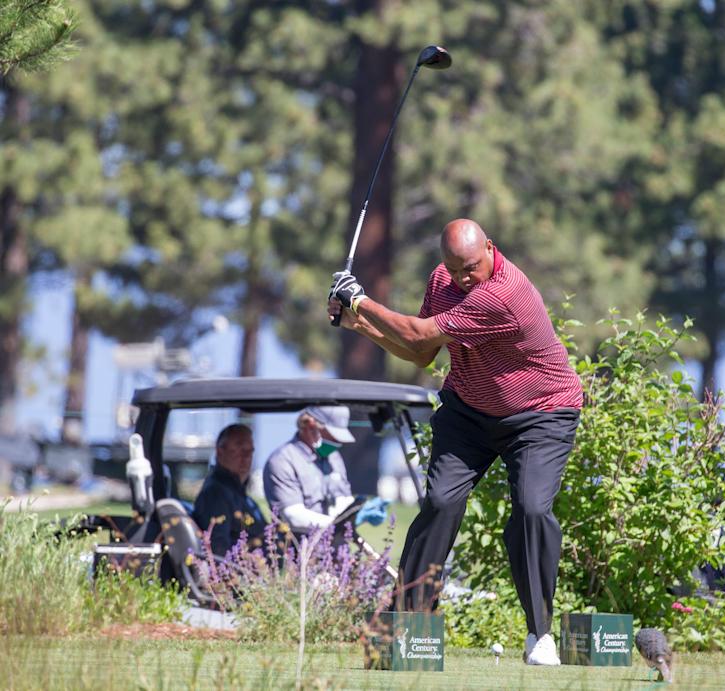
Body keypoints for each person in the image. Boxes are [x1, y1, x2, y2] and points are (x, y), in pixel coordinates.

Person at [327, 218, 582, 666]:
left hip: (541, 413)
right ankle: (409, 623)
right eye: (454, 268)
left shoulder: (505, 293)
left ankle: (539, 634)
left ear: (489, 247)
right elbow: (422, 353)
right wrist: (357, 324)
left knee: (532, 508)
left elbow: (420, 334)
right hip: (470, 411)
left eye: (471, 266)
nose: (463, 277)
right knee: (441, 503)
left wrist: (361, 300)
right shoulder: (443, 279)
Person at [263, 406, 389, 534]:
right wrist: (338, 524)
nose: (338, 441)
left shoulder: (333, 457)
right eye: (333, 435)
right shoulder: (283, 460)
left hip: (333, 547)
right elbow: (293, 517)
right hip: (297, 549)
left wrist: (359, 511)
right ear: (311, 426)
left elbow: (341, 501)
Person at [192, 423, 267, 556]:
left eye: (250, 451)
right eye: (239, 449)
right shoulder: (215, 494)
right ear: (220, 451)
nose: (246, 457)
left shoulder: (240, 494)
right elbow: (218, 551)